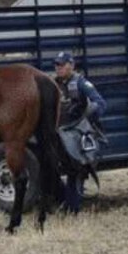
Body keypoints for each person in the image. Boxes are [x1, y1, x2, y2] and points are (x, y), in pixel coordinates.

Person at [53, 51, 106, 213]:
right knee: (65, 170)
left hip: (76, 133)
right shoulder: (53, 84)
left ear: (71, 66)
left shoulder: (81, 83)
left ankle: (73, 207)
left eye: (62, 65)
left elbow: (100, 104)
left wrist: (86, 118)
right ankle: (67, 203)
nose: (58, 68)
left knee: (76, 171)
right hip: (60, 134)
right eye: (56, 65)